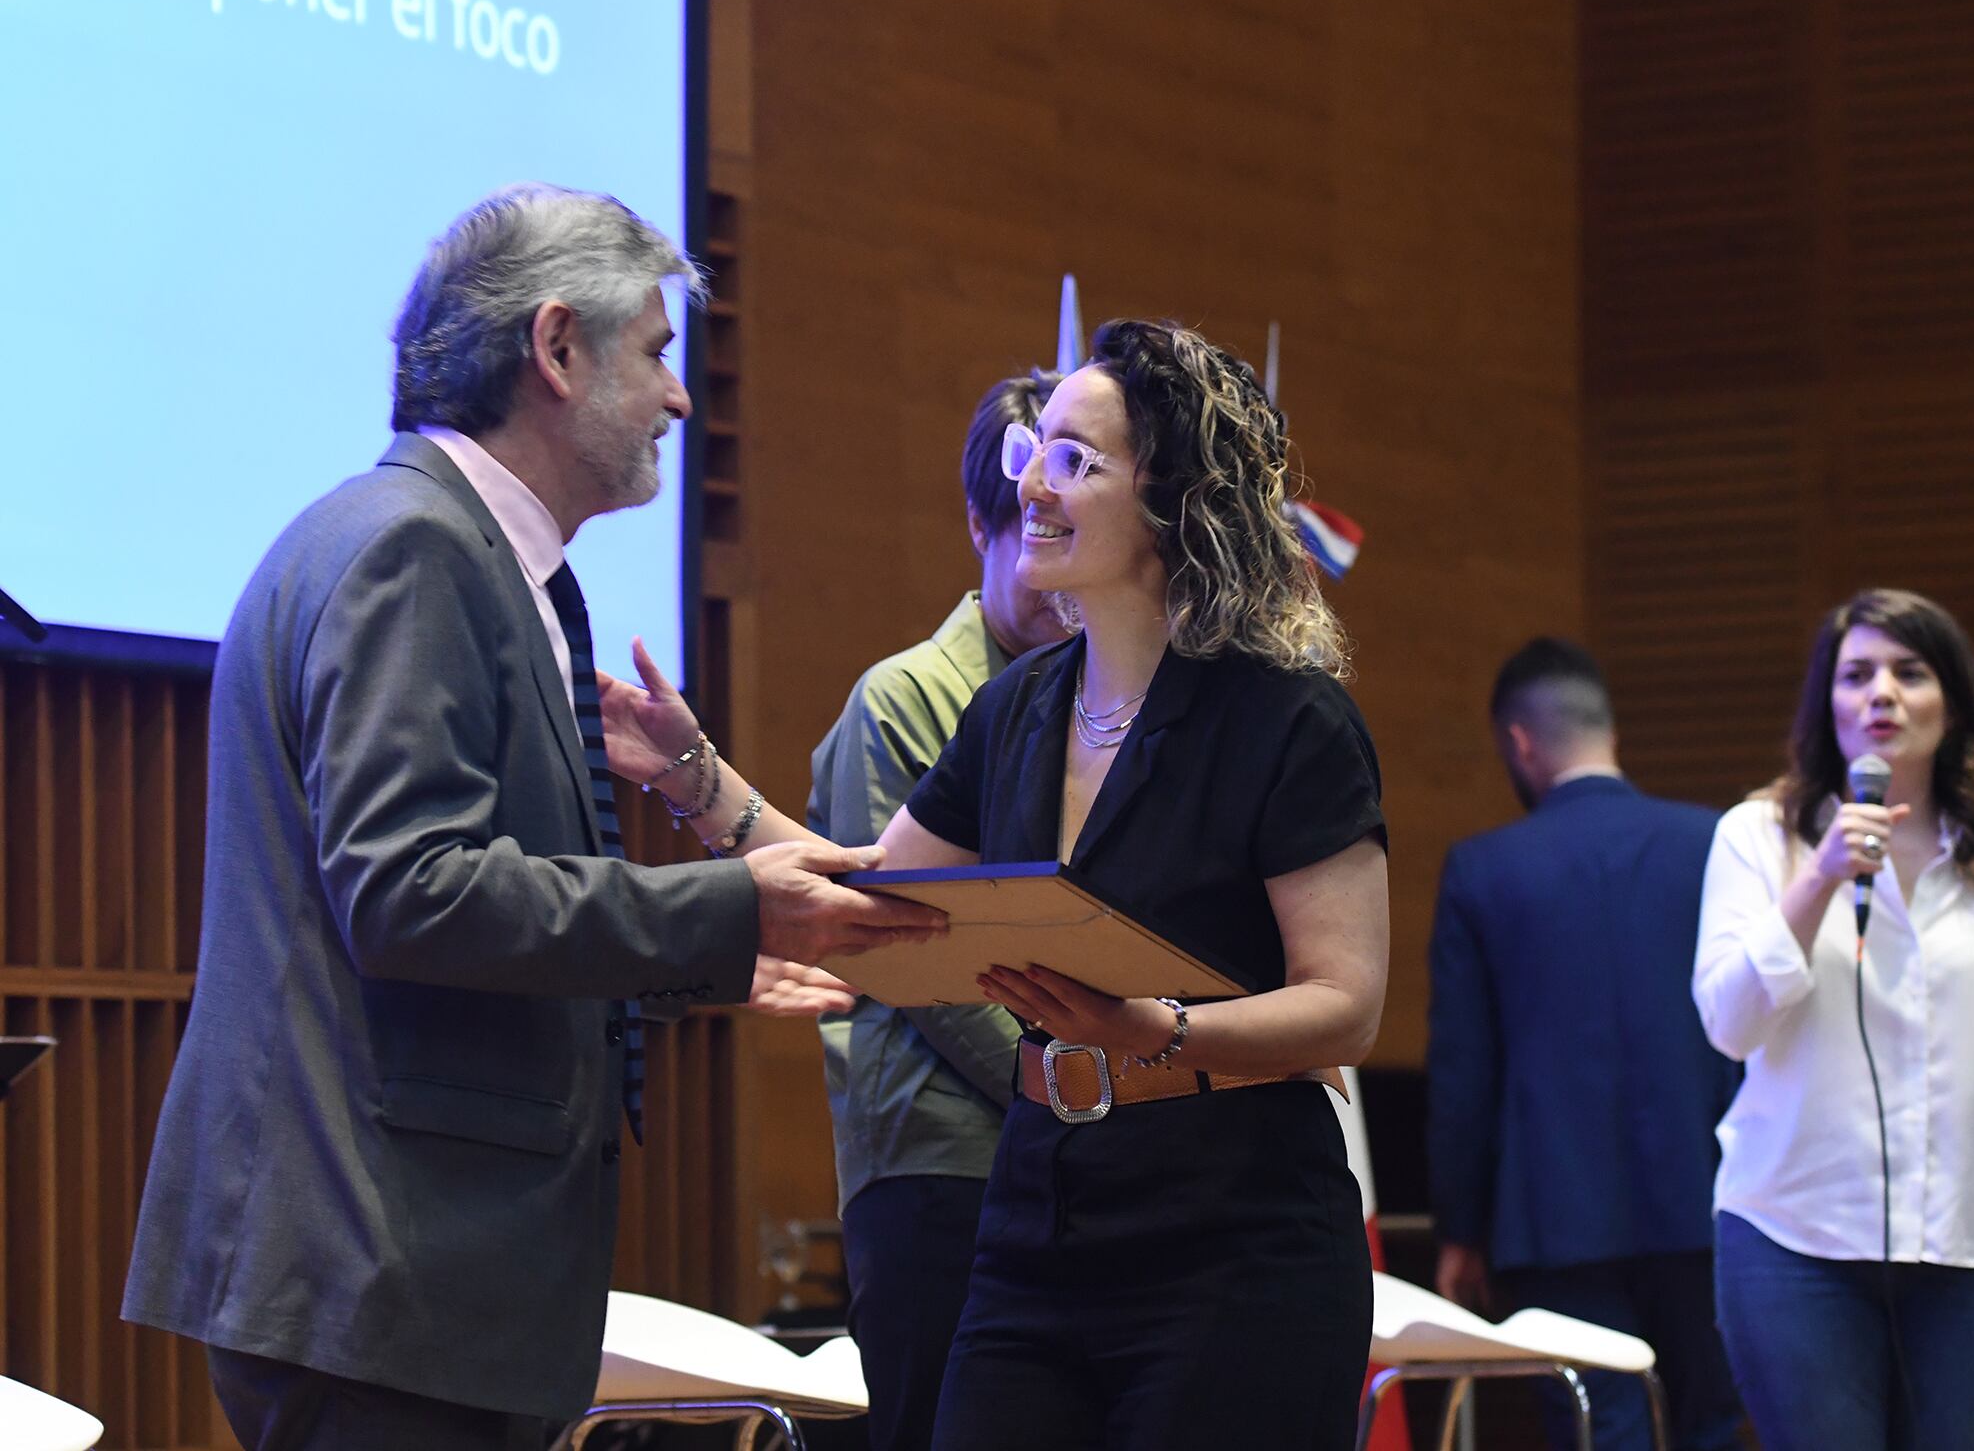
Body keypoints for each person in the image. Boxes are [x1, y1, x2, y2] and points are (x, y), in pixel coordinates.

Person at [120, 184, 942, 1451]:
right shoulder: (414, 549)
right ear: (557, 348)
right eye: (656, 351)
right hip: (380, 1265)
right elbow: (411, 891)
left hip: (399, 1272)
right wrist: (730, 903)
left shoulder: (438, 544)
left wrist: (704, 956)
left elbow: (455, 916)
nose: (681, 397)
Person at [599, 319, 1389, 1450]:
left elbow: (1344, 1006)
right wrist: (694, 775)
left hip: (1238, 1230)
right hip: (1038, 1212)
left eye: (1077, 460)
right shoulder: (1013, 708)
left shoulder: (1289, 718)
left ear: (1172, 501)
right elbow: (874, 904)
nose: (1034, 485)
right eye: (1033, 454)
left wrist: (1154, 1032)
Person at [1694, 588, 1974, 1451]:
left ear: (1951, 701)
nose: (1881, 692)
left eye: (1909, 672)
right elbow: (1729, 1024)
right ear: (1827, 703)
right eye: (1856, 675)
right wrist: (1820, 877)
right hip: (1794, 1235)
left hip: (1970, 1243)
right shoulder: (1757, 839)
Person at [807, 369, 1069, 1451]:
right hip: (942, 1157)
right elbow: (920, 957)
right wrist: (1084, 1088)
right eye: (1032, 540)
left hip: (1071, 1143)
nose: (1057, 577)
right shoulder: (906, 696)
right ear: (978, 525)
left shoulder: (1102, 700)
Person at [1426, 637, 1742, 1451]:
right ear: (1611, 732)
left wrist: (1460, 1228)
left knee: (1598, 1433)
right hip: (1711, 1200)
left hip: (1554, 1216)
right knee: (1709, 1428)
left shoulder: (1484, 869)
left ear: (1519, 742)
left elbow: (1464, 1073)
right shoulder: (1715, 844)